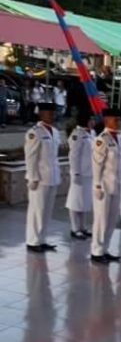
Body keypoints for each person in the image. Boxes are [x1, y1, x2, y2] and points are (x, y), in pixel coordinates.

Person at [24, 101, 61, 253]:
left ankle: (42, 239)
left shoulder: (55, 131)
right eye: (48, 112)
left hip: (52, 176)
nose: (52, 115)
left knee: (47, 211)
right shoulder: (35, 132)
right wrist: (32, 177)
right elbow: (31, 156)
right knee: (36, 210)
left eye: (53, 113)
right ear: (40, 114)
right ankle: (33, 241)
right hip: (39, 178)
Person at [90, 107, 121, 264]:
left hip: (116, 185)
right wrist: (97, 185)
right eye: (114, 119)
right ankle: (96, 251)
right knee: (101, 220)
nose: (118, 121)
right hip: (103, 186)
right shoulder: (101, 139)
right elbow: (97, 164)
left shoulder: (118, 138)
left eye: (118, 119)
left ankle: (105, 249)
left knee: (111, 220)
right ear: (106, 120)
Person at [65, 110, 95, 239]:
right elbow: (73, 155)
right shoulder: (77, 134)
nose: (94, 121)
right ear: (85, 120)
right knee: (75, 201)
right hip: (79, 173)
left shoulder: (91, 133)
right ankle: (74, 228)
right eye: (91, 119)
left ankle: (82, 227)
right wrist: (75, 172)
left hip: (89, 172)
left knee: (84, 201)